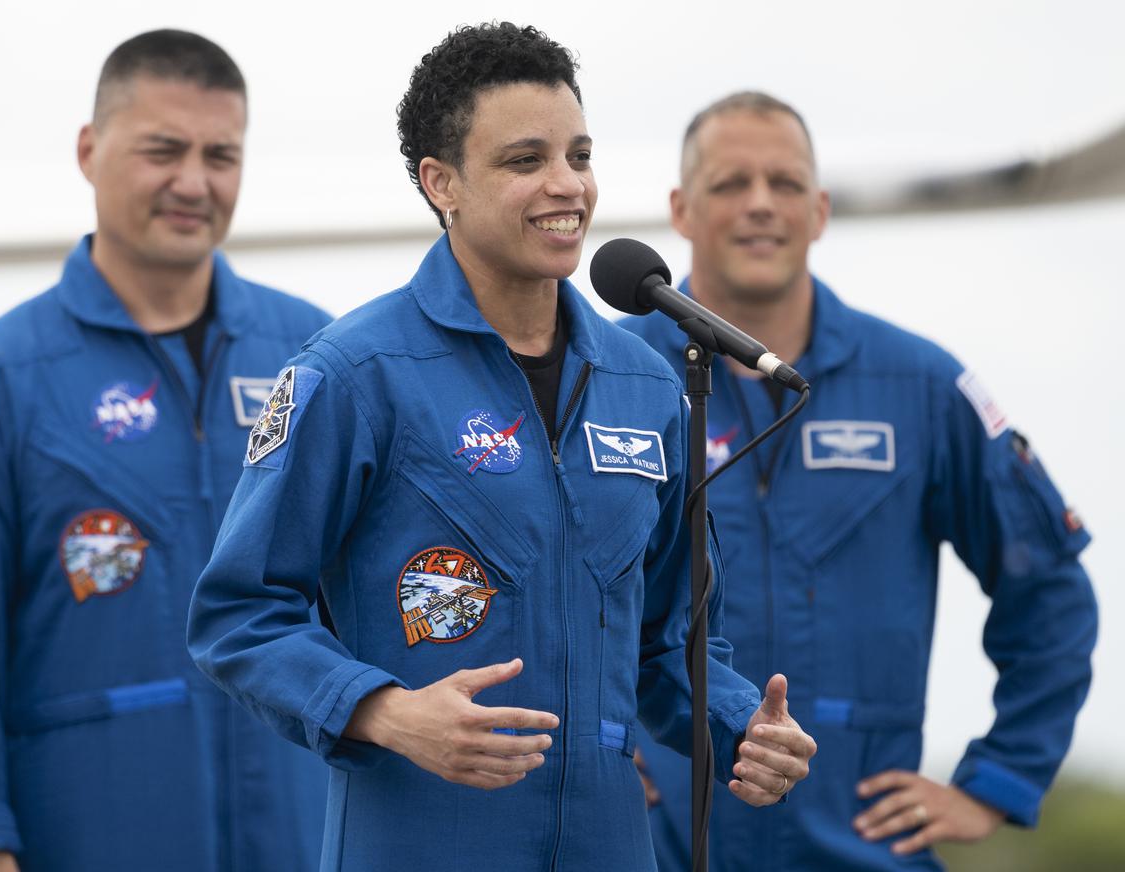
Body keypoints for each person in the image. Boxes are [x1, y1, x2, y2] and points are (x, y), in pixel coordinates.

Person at [186, 24, 816, 872]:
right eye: (526, 161)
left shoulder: (648, 384)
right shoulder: (355, 373)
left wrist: (741, 722)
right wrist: (383, 711)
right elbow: (239, 616)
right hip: (416, 840)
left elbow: (670, 642)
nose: (567, 186)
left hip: (608, 844)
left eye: (580, 155)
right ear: (440, 183)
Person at [0, 30, 332, 872]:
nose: (193, 183)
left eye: (220, 155)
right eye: (163, 150)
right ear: (90, 152)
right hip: (87, 835)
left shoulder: (317, 357)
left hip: (303, 836)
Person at [620, 91, 1098, 871]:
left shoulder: (920, 384)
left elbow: (1048, 588)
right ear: (680, 209)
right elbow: (530, 593)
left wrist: (997, 780)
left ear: (820, 209)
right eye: (731, 183)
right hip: (652, 845)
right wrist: (580, 750)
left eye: (785, 183)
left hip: (862, 848)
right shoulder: (606, 379)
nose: (760, 206)